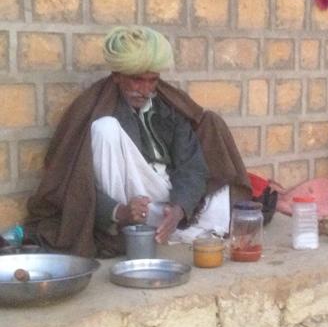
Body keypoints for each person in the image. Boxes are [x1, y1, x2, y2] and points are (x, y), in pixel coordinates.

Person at [26, 26, 251, 257]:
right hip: (128, 202)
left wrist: (179, 208)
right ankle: (122, 228)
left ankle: (178, 226)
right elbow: (76, 180)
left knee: (213, 128)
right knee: (106, 128)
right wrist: (119, 211)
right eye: (136, 80)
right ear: (117, 76)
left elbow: (191, 166)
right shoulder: (93, 107)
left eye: (152, 81)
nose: (145, 90)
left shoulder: (166, 108)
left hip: (163, 198)